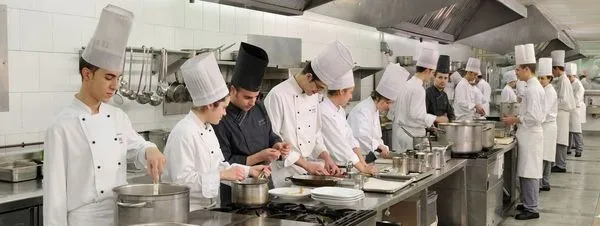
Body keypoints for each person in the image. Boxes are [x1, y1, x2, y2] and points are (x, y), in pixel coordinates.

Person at [43, 5, 167, 225]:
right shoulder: (61, 126)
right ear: (87, 74)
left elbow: (136, 148)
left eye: (118, 78)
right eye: (109, 77)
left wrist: (150, 148)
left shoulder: (118, 117)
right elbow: (54, 196)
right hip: (83, 220)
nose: (115, 85)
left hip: (119, 214)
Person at [162, 52, 270, 211]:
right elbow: (181, 183)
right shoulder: (184, 133)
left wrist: (249, 171)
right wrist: (221, 176)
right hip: (187, 211)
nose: (225, 113)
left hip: (209, 209)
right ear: (209, 105)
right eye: (224, 108)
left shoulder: (207, 128)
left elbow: (220, 166)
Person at [264, 41, 352, 187]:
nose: (319, 92)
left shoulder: (313, 96)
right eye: (319, 87)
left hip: (308, 171)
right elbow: (273, 140)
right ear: (309, 76)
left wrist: (326, 158)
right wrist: (306, 165)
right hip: (284, 173)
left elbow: (316, 134)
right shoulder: (278, 95)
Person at [212, 43, 290, 204]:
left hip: (264, 181)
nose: (253, 102)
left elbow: (271, 135)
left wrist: (277, 145)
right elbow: (224, 162)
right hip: (238, 188)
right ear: (233, 90)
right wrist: (259, 157)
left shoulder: (259, 106)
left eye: (256, 96)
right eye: (247, 97)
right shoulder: (220, 118)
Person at [503, 44, 545, 220]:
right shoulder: (530, 86)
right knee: (527, 171)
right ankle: (528, 202)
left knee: (530, 172)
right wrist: (518, 116)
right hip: (528, 134)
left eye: (518, 69)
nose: (516, 72)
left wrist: (516, 119)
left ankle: (532, 208)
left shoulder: (534, 88)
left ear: (527, 69)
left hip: (531, 134)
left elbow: (534, 117)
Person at [391, 46, 449, 152]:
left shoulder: (407, 84)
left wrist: (427, 124)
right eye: (432, 73)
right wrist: (437, 118)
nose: (432, 76)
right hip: (411, 137)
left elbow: (406, 113)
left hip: (404, 133)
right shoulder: (418, 89)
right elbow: (416, 114)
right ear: (427, 70)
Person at [348, 63, 408, 163]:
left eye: (391, 103)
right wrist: (379, 146)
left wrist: (383, 146)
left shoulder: (374, 109)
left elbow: (376, 137)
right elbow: (361, 137)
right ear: (377, 98)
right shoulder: (362, 110)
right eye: (388, 102)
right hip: (357, 159)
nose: (389, 106)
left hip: (368, 158)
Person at [320, 70, 377, 174]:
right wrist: (362, 168)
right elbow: (339, 144)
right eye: (350, 92)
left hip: (340, 167)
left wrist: (363, 162)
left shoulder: (340, 110)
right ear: (341, 91)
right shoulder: (324, 111)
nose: (351, 97)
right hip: (326, 168)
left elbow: (350, 138)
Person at [550, 50, 576, 173]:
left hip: (562, 114)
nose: (552, 72)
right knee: (559, 138)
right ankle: (559, 163)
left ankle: (561, 165)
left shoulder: (563, 80)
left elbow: (563, 100)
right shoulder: (561, 79)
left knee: (560, 139)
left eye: (552, 70)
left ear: (556, 68)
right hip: (560, 114)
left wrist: (551, 104)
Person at [537, 58, 557, 192]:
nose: (540, 81)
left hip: (547, 126)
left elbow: (543, 112)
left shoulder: (550, 92)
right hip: (547, 125)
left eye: (543, 78)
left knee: (544, 156)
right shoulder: (545, 90)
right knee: (546, 156)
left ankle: (542, 182)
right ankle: (545, 182)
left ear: (550, 79)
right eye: (539, 78)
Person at [426, 55, 456, 122]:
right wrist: (437, 119)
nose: (443, 81)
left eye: (445, 78)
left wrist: (452, 123)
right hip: (430, 130)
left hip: (443, 129)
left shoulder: (444, 95)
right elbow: (423, 115)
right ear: (434, 77)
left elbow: (451, 113)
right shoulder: (428, 93)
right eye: (440, 77)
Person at [566, 63, 586, 158]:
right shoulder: (569, 83)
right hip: (568, 110)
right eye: (567, 76)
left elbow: (576, 99)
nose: (568, 78)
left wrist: (566, 103)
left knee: (577, 131)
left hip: (575, 110)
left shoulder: (579, 86)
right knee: (568, 131)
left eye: (570, 76)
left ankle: (579, 149)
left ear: (574, 76)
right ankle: (568, 149)